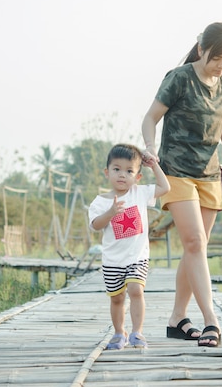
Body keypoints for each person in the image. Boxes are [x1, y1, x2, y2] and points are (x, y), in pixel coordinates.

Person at [141, 22, 222, 347]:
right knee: (194, 243)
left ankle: (177, 318)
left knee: (195, 249)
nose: (221, 65)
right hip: (175, 171)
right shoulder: (178, 78)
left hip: (210, 175)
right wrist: (150, 148)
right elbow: (150, 118)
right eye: (217, 58)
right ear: (201, 48)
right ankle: (212, 321)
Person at [88, 143, 170, 350]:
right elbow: (95, 225)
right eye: (116, 169)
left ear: (137, 176)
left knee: (136, 291)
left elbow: (165, 187)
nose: (122, 175)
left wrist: (154, 166)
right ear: (107, 172)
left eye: (129, 171)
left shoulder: (139, 193)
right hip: (112, 260)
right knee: (117, 298)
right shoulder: (100, 201)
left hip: (137, 257)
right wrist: (110, 213)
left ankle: (137, 332)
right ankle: (118, 332)